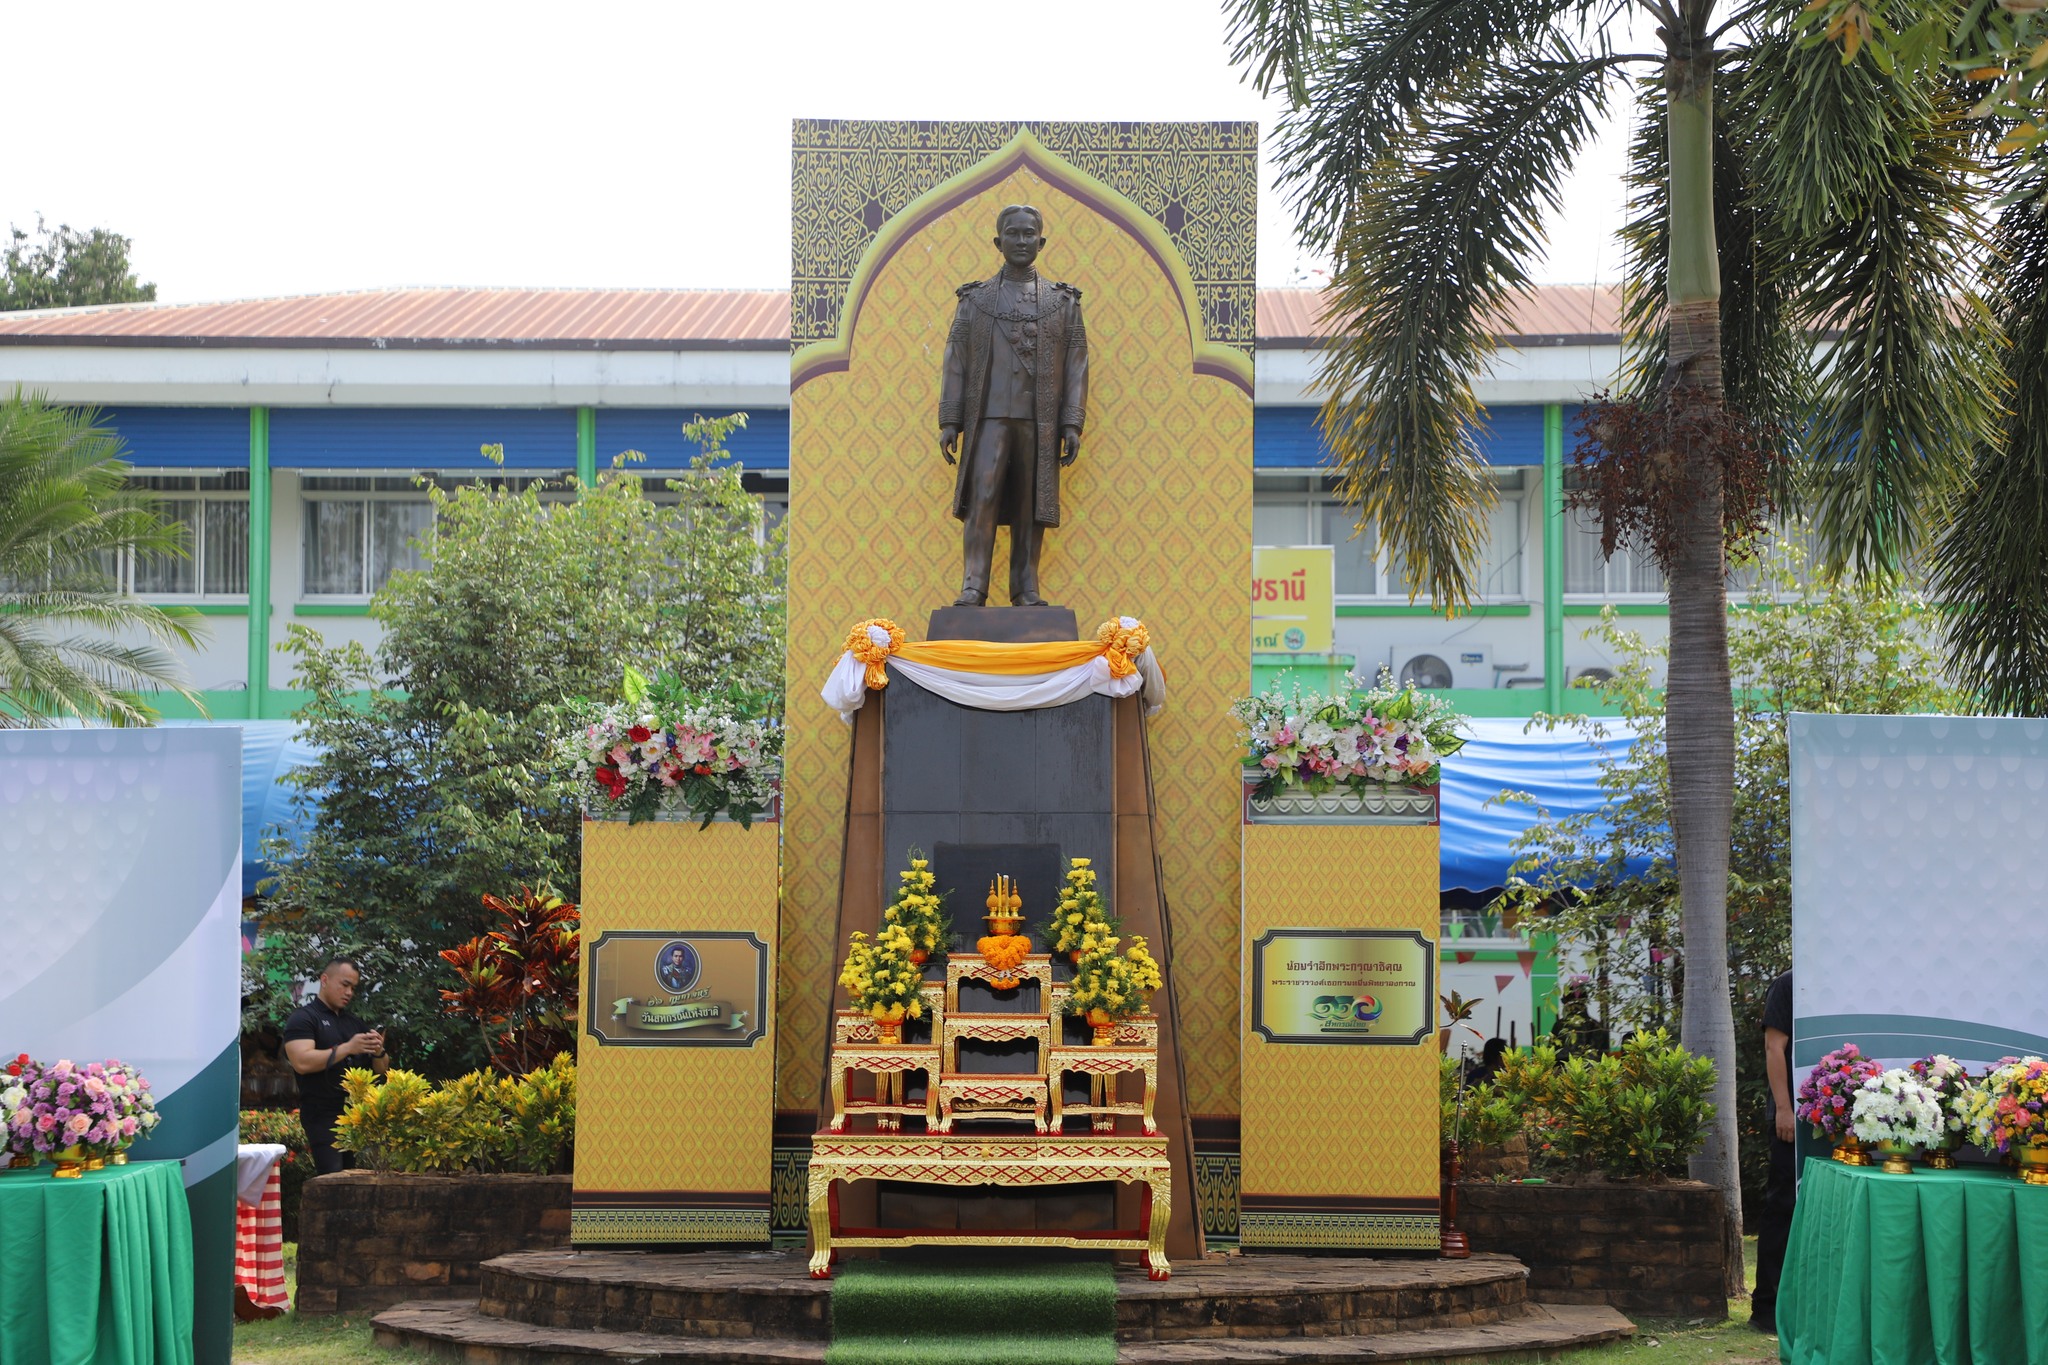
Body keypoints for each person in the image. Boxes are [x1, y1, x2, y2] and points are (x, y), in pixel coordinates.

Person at [937, 203, 1089, 607]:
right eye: (1013, 233)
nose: (1021, 241)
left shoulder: (1063, 302)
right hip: (988, 418)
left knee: (1028, 503)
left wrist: (1071, 424)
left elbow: (1077, 365)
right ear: (997, 241)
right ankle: (974, 586)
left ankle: (1025, 589)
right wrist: (950, 420)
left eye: (1028, 234)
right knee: (982, 498)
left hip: (1038, 422)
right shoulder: (974, 301)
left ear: (1041, 241)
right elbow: (956, 361)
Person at [281, 958, 387, 1174]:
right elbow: (302, 1062)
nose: (349, 992)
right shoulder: (303, 1018)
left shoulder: (354, 1023)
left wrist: (378, 1050)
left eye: (353, 988)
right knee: (332, 1175)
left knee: (355, 1177)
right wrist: (347, 1048)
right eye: (344, 984)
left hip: (355, 1113)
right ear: (324, 980)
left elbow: (382, 1070)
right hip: (321, 1113)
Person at [1753, 968, 1795, 1335]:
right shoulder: (1789, 983)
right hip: (1791, 1118)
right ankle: (1766, 1307)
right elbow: (1774, 1047)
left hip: (1838, 1121)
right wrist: (1783, 1108)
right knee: (1782, 1206)